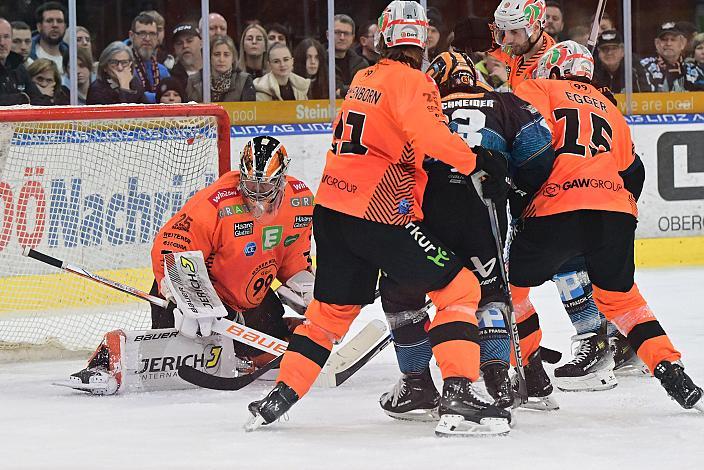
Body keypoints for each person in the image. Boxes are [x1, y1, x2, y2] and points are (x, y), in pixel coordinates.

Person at [246, 0, 512, 437]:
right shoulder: (414, 81)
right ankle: (460, 393)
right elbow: (427, 134)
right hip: (379, 213)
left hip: (332, 211)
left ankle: (279, 396)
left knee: (328, 315)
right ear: (422, 40)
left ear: (384, 38)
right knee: (460, 287)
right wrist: (475, 160)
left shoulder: (362, 78)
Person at [513, 40, 704, 413]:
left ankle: (532, 371)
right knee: (622, 299)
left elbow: (525, 146)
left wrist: (519, 193)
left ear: (551, 69)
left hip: (555, 206)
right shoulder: (611, 110)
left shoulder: (536, 88)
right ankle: (670, 367)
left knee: (509, 292)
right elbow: (633, 170)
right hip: (614, 211)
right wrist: (618, 206)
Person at [62, 136, 316, 396]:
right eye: (250, 184)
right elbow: (172, 246)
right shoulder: (216, 203)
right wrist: (191, 298)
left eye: (265, 187)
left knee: (267, 354)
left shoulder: (301, 201)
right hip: (200, 293)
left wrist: (304, 286)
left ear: (282, 178)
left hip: (250, 296)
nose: (256, 195)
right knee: (173, 357)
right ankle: (108, 361)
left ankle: (298, 335)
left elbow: (293, 254)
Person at [377, 50, 555, 420]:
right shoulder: (506, 102)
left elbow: (388, 157)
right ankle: (497, 376)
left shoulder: (422, 103)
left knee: (402, 293)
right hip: (481, 211)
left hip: (428, 213)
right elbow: (538, 155)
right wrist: (513, 185)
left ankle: (417, 383)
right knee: (489, 292)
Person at [489, 2, 620, 392]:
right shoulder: (522, 50)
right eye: (502, 32)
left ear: (534, 27)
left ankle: (595, 336)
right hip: (546, 174)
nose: (505, 41)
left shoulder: (550, 64)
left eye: (512, 33)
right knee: (587, 260)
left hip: (553, 175)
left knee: (568, 262)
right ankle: (617, 334)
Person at [489, 0, 555, 91]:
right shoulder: (520, 45)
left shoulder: (549, 69)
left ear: (535, 28)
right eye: (504, 31)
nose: (507, 41)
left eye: (514, 32)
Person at [187, 35, 255, 102]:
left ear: (233, 58)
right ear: (209, 57)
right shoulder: (194, 81)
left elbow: (250, 111)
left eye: (226, 55)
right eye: (217, 54)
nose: (221, 59)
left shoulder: (244, 80)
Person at [0, 17, 44, 106]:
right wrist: (22, 98)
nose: (2, 43)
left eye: (6, 37)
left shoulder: (18, 66)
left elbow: (39, 99)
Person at [129, 13, 170, 104]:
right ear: (131, 36)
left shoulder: (163, 71)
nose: (147, 39)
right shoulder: (123, 67)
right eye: (142, 33)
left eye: (152, 34)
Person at [639, 22, 687, 92]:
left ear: (682, 43)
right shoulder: (643, 67)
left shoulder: (693, 70)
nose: (668, 43)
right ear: (657, 43)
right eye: (664, 39)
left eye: (673, 40)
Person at [329, 14, 368, 97]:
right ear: (328, 35)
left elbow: (365, 91)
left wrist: (342, 91)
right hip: (322, 109)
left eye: (346, 33)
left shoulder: (361, 64)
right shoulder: (319, 61)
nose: (342, 37)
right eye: (337, 32)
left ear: (352, 38)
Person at [30, 2, 68, 75]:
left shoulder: (72, 57)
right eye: (49, 21)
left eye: (59, 21)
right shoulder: (28, 55)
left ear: (65, 26)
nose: (55, 25)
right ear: (39, 26)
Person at [169, 23, 203, 91]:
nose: (185, 46)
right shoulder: (171, 79)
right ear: (174, 49)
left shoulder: (214, 71)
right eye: (179, 43)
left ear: (201, 43)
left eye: (189, 41)